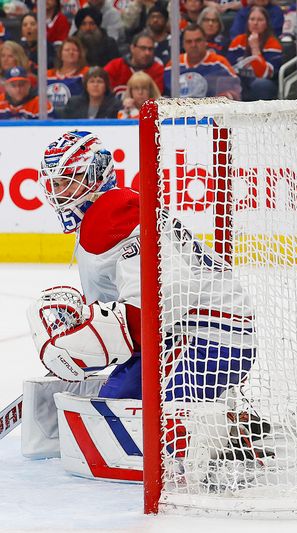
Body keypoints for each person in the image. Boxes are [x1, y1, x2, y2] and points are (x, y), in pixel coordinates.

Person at [31, 129, 265, 460]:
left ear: (98, 174)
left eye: (70, 180)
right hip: (196, 332)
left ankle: (223, 432)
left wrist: (88, 346)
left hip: (211, 338)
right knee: (112, 402)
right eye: (54, 184)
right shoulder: (107, 211)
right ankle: (226, 415)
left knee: (157, 437)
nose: (60, 192)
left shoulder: (112, 214)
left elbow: (161, 300)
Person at [164, 24, 242, 99]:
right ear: (183, 44)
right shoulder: (173, 65)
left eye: (198, 40)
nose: (193, 45)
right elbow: (163, 94)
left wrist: (227, 96)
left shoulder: (219, 63)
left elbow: (236, 90)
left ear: (205, 42)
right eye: (189, 41)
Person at [226, 5, 282, 101]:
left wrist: (255, 48)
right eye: (252, 19)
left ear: (266, 23)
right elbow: (229, 69)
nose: (255, 23)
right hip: (241, 82)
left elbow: (264, 75)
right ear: (247, 22)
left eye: (260, 20)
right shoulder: (238, 41)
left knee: (261, 84)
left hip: (264, 84)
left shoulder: (273, 43)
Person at [104, 31, 165, 96]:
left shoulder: (158, 69)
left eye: (150, 49)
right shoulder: (115, 66)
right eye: (143, 48)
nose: (147, 53)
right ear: (132, 48)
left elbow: (156, 97)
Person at [46, 36, 89, 115]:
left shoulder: (86, 72)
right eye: (67, 50)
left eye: (74, 50)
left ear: (80, 54)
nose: (71, 53)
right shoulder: (47, 74)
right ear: (60, 54)